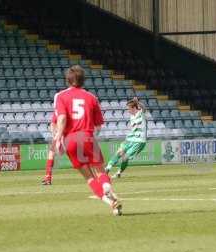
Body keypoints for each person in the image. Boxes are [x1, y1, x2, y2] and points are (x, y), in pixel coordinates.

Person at [53, 65, 122, 216]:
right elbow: (98, 126)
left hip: (70, 139)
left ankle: (111, 203)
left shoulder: (60, 96)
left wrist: (58, 137)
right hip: (87, 136)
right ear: (83, 80)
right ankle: (106, 186)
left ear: (67, 80)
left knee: (88, 177)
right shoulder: (91, 97)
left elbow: (61, 118)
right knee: (99, 169)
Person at [105, 97, 147, 178]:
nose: (128, 110)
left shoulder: (141, 113)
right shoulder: (131, 116)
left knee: (125, 158)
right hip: (130, 138)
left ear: (134, 108)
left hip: (139, 141)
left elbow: (144, 108)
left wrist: (138, 102)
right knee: (119, 152)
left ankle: (119, 172)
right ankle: (107, 168)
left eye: (129, 108)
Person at [41, 114, 57, 185]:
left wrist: (54, 135)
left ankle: (48, 177)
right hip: (73, 135)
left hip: (60, 136)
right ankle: (48, 177)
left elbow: (52, 124)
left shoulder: (58, 109)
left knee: (51, 154)